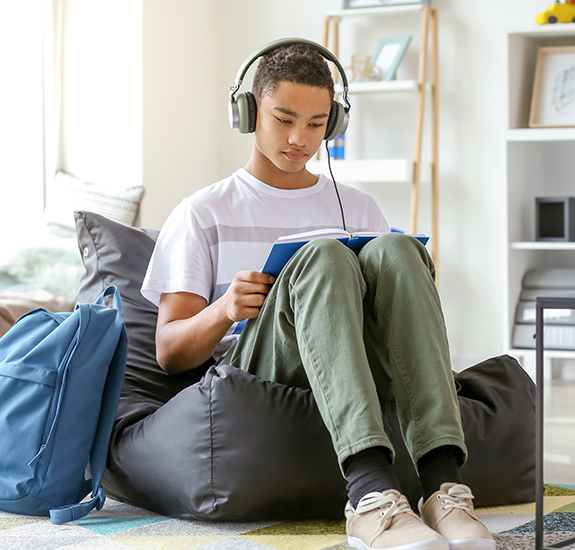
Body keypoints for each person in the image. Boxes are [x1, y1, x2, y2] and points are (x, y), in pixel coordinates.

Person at [141, 38, 495, 550]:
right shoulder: (203, 212)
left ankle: (442, 487)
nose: (299, 139)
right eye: (283, 119)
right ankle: (370, 494)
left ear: (333, 123)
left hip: (357, 367)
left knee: (397, 249)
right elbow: (169, 353)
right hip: (261, 376)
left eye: (315, 124)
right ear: (247, 113)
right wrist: (223, 310)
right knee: (325, 256)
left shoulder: (359, 206)